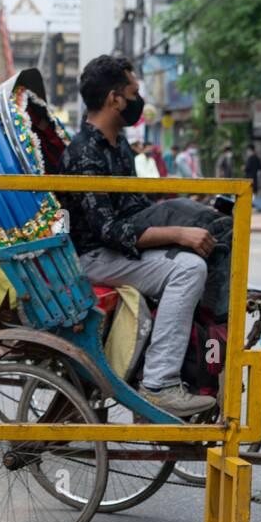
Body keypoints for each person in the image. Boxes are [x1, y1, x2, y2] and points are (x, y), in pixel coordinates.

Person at [59, 54, 223, 417]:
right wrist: (177, 234)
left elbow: (136, 208)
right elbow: (107, 230)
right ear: (115, 98)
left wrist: (183, 219)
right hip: (95, 257)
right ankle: (159, 384)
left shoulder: (118, 145)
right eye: (134, 91)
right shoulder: (85, 153)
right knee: (187, 269)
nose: (139, 99)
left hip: (120, 252)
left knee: (209, 239)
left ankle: (196, 366)